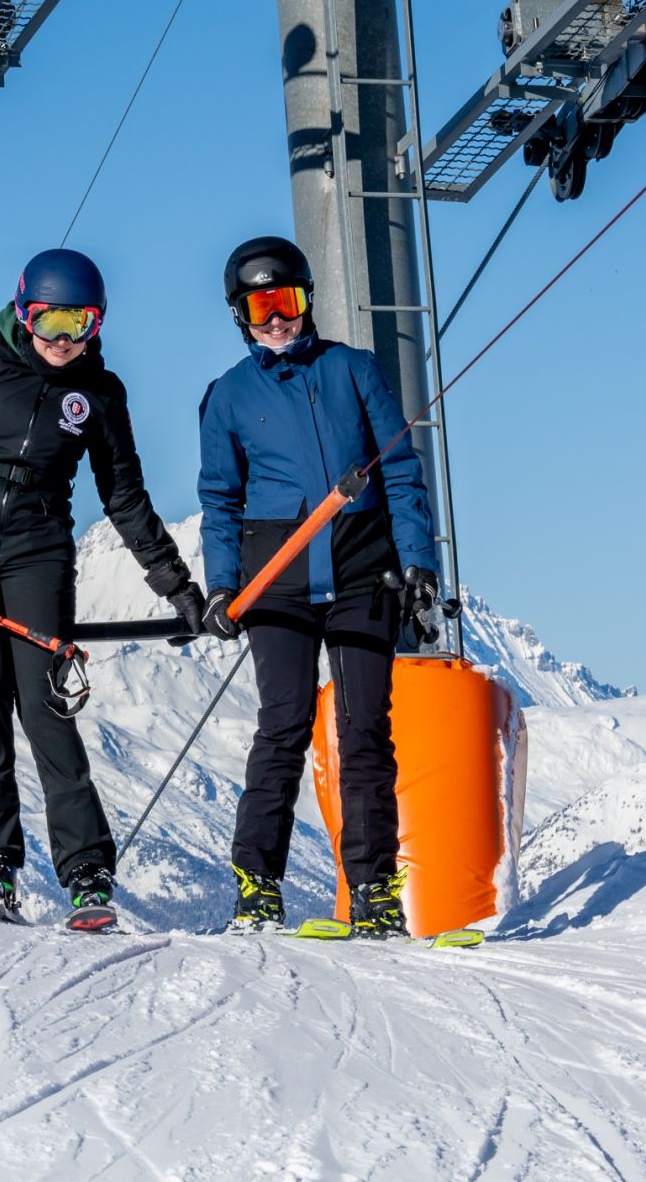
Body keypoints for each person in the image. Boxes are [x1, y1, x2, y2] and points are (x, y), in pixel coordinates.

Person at [0, 247, 205, 925]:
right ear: (22, 311)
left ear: (98, 324)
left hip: (39, 551)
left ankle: (87, 872)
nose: (63, 340)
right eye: (50, 321)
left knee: (45, 702)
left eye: (80, 324)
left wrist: (174, 584)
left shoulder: (99, 393)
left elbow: (124, 497)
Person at [198, 236, 440, 937]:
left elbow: (400, 473)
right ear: (239, 315)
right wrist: (221, 587)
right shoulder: (228, 398)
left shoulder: (354, 371)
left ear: (308, 300)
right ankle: (258, 886)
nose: (277, 319)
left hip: (363, 567)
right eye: (261, 305)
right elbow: (220, 499)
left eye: (288, 301)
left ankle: (373, 890)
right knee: (284, 725)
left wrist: (418, 561)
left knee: (365, 730)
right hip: (278, 574)